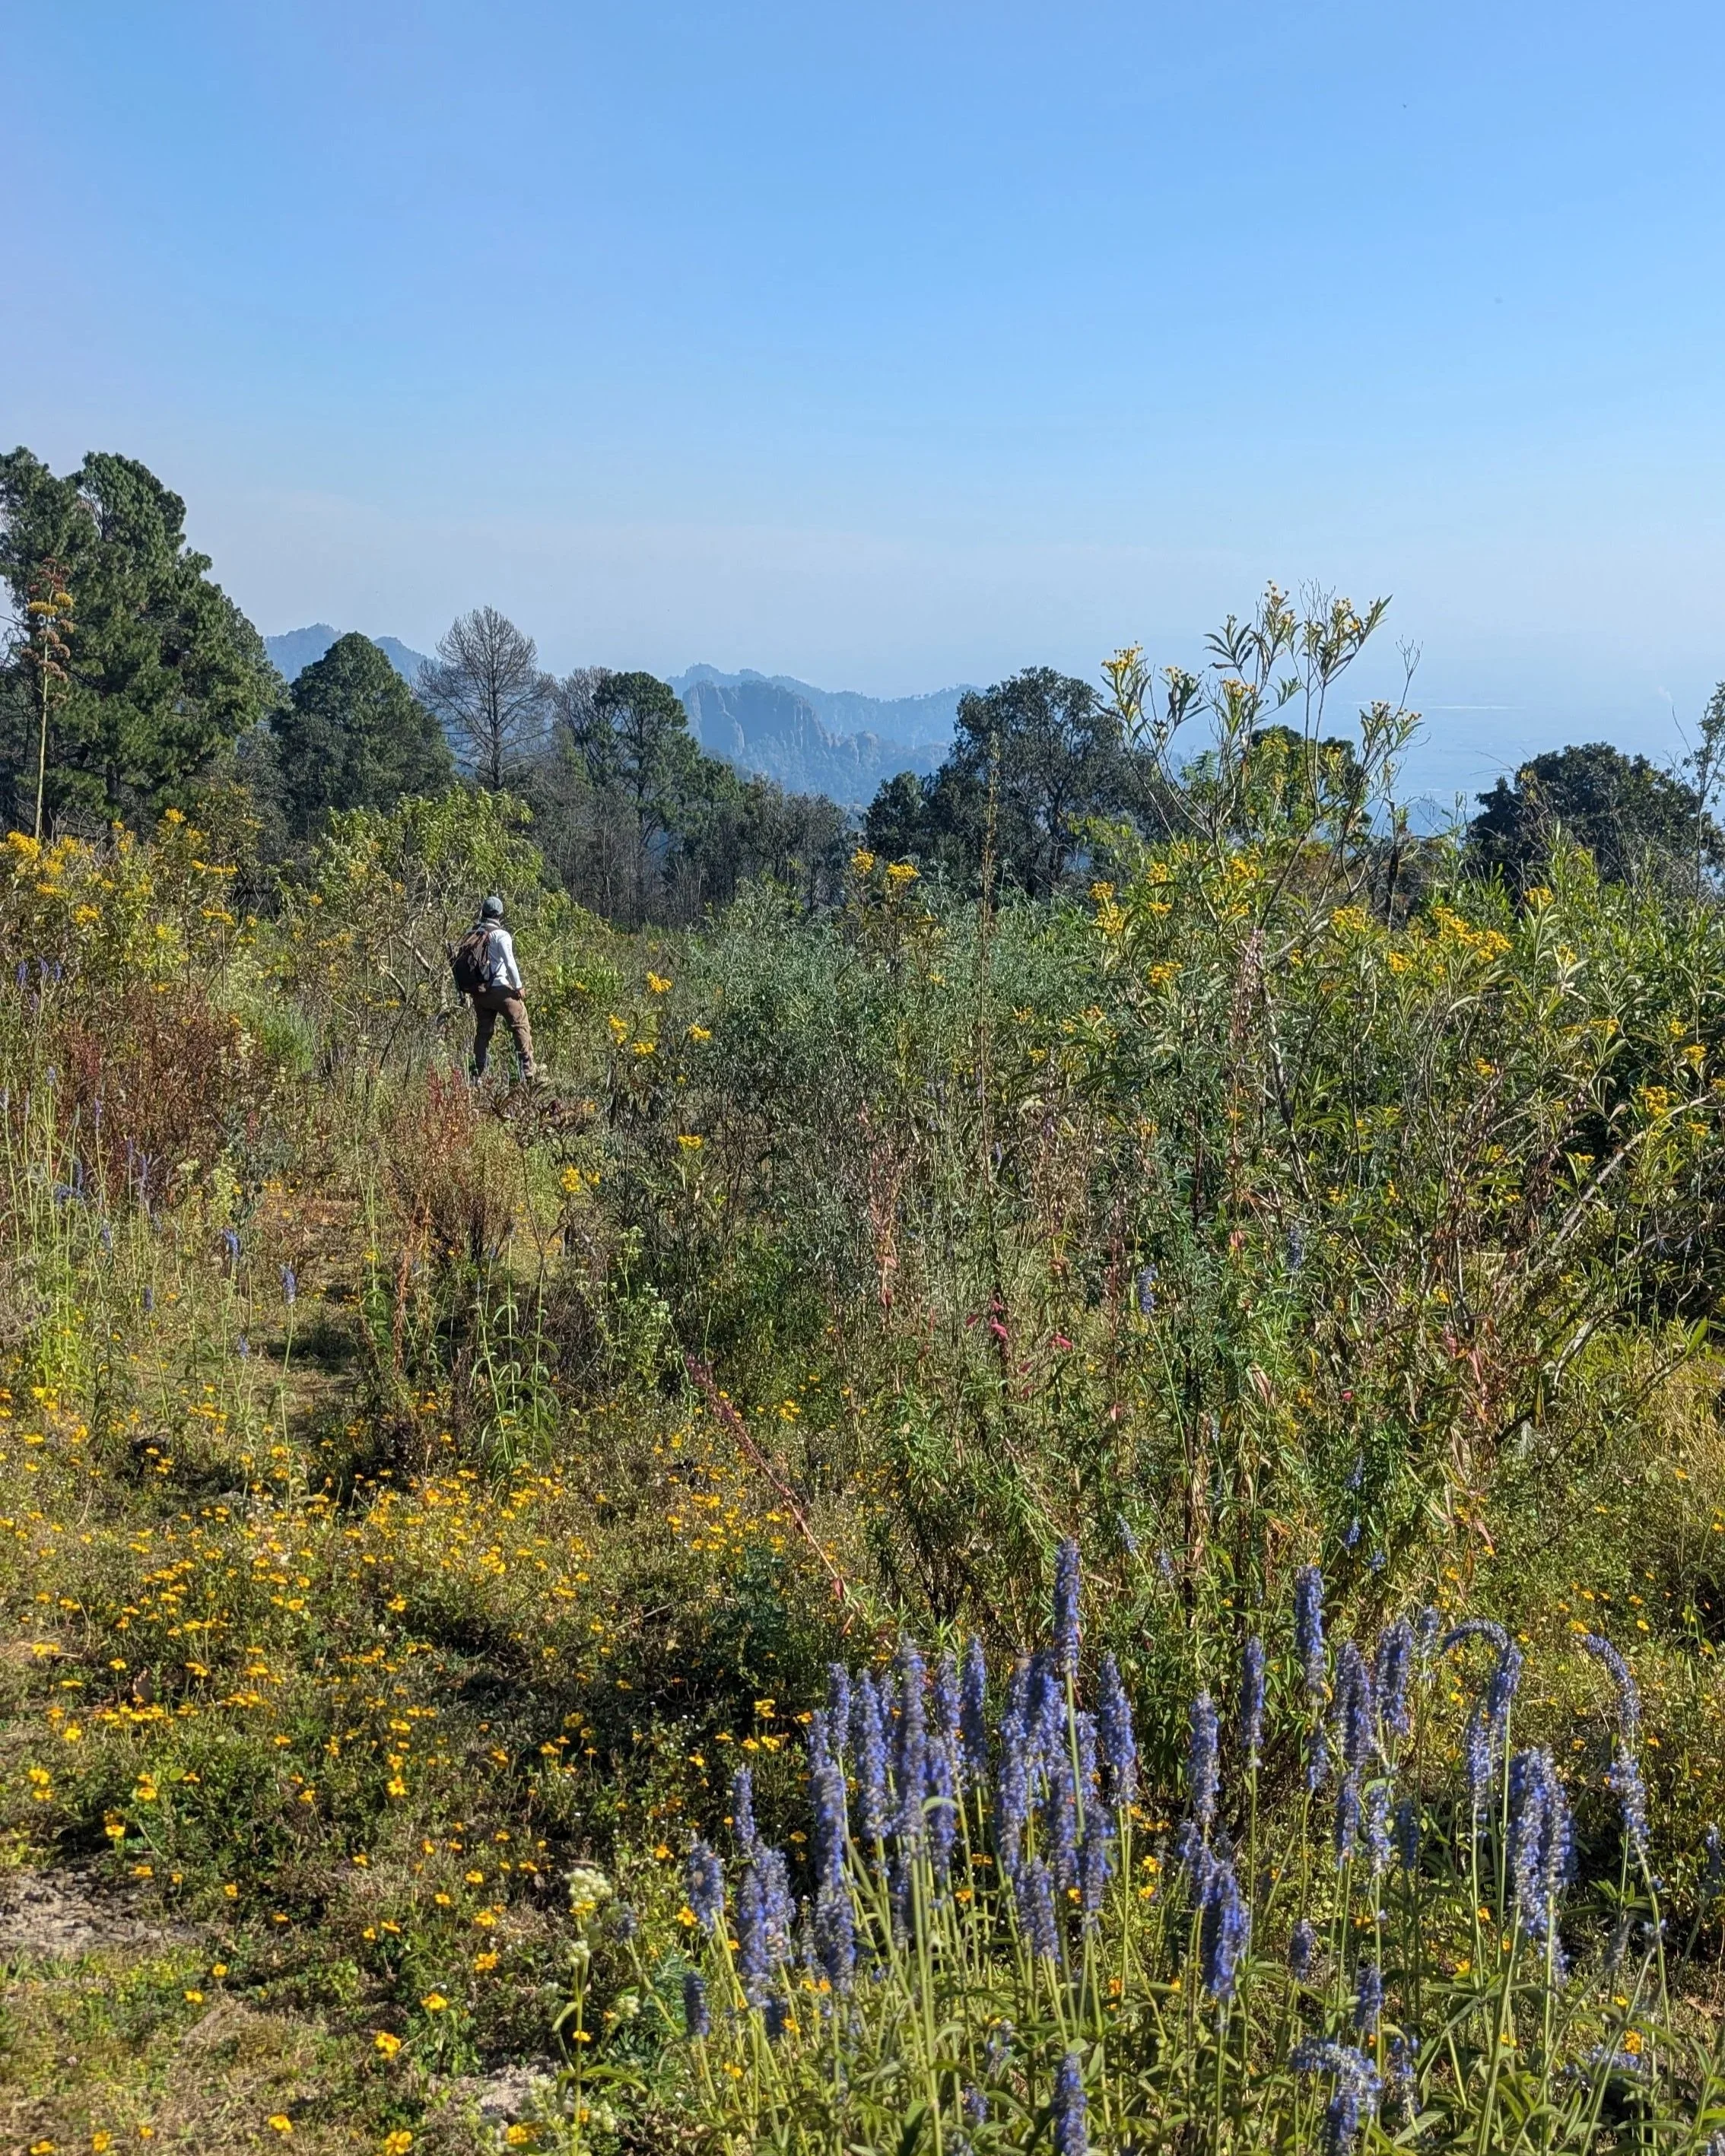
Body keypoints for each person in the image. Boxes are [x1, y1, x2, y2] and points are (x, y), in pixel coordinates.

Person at [460, 894, 537, 1081]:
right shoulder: (501, 935)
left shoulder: (473, 933)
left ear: (483, 912)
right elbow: (510, 963)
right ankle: (526, 1070)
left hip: (480, 994)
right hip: (501, 990)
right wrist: (518, 986)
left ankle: (476, 1072)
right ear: (500, 914)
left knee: (483, 1032)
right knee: (520, 1022)